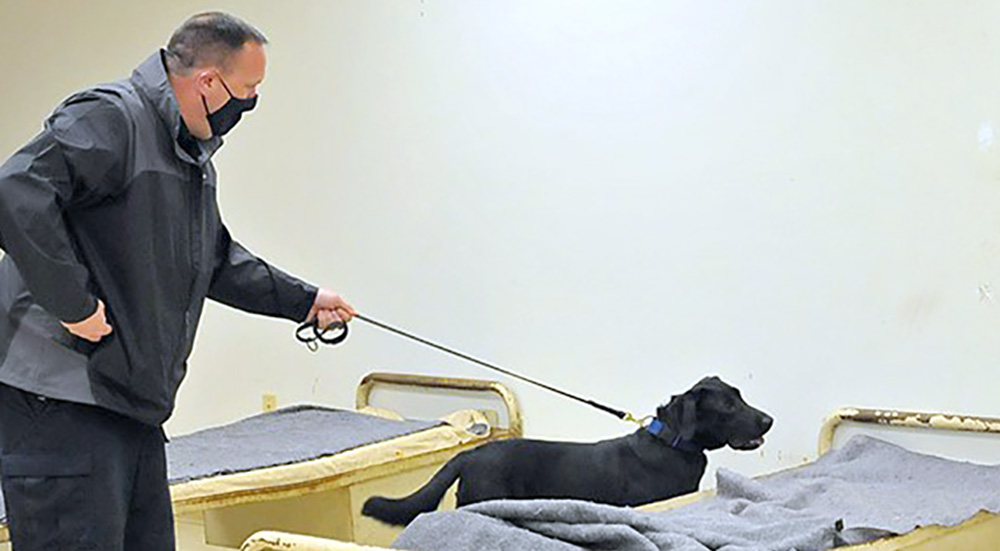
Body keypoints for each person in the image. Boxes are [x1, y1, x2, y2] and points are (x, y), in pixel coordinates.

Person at [0, 12, 355, 551]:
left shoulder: (189, 155)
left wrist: (305, 301)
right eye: (249, 89)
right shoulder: (113, 117)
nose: (252, 103)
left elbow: (214, 260)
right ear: (209, 83)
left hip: (132, 407)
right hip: (62, 402)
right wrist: (72, 305)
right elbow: (18, 190)